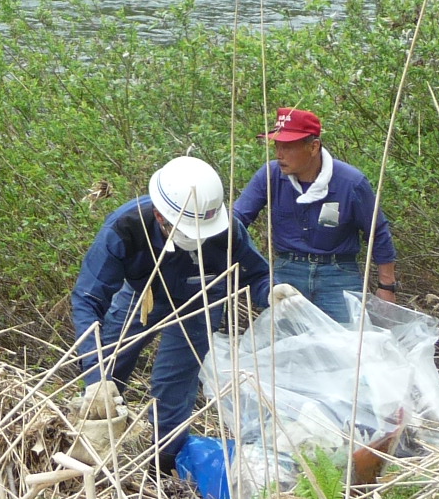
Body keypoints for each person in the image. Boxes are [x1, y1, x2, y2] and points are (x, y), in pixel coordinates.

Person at [72, 156, 271, 471]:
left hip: (200, 299)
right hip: (143, 294)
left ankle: (160, 466)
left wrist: (274, 292)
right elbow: (87, 298)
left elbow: (257, 275)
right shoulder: (126, 227)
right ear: (159, 215)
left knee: (173, 384)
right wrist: (96, 376)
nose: (195, 239)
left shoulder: (225, 229)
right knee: (110, 362)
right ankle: (92, 455)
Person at [233, 107, 397, 323]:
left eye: (288, 146)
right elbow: (236, 220)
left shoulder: (351, 183)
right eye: (277, 145)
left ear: (313, 147)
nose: (279, 154)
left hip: (338, 273)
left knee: (347, 346)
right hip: (288, 273)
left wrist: (386, 286)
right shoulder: (270, 175)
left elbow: (377, 232)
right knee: (285, 346)